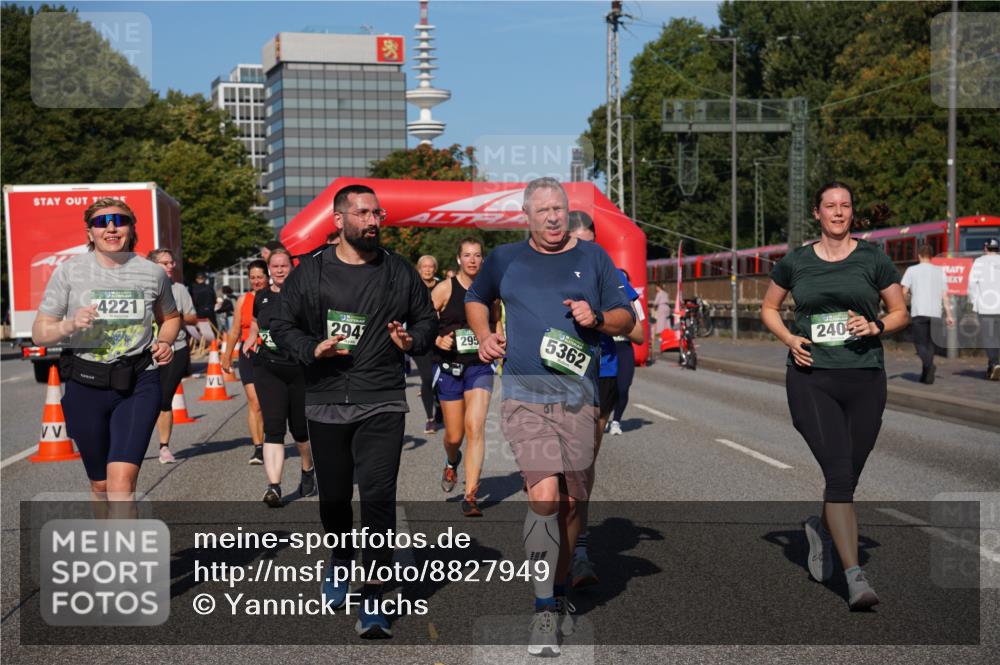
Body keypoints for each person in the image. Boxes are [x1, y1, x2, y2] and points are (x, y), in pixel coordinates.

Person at [466, 177, 634, 656]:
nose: (554, 217)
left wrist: (596, 319)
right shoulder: (503, 259)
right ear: (527, 216)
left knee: (572, 503)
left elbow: (629, 322)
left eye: (559, 208)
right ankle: (543, 609)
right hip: (524, 396)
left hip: (579, 399)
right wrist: (484, 334)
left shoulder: (593, 258)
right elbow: (477, 298)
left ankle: (558, 595)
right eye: (543, 211)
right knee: (543, 497)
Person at [270, 184, 437, 638]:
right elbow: (281, 324)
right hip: (325, 399)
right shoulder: (311, 272)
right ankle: (341, 556)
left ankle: (373, 599)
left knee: (379, 497)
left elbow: (427, 321)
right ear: (339, 220)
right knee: (335, 500)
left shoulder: (397, 271)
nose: (373, 220)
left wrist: (413, 341)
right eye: (362, 213)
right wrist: (311, 347)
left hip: (381, 396)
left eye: (376, 213)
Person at [761, 181, 908, 611]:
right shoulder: (797, 261)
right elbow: (769, 308)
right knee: (840, 475)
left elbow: (900, 311)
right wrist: (789, 338)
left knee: (847, 479)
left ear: (851, 213)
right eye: (831, 206)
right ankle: (854, 576)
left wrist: (875, 326)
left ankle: (821, 528)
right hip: (812, 379)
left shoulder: (873, 257)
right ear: (817, 213)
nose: (839, 212)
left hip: (865, 378)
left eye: (845, 206)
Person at [32, 198, 180, 501]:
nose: (111, 228)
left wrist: (164, 341)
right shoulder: (69, 272)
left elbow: (171, 317)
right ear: (90, 233)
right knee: (101, 486)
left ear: (131, 229)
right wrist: (70, 324)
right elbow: (40, 333)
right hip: (85, 383)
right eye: (101, 222)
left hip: (138, 381)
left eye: (119, 221)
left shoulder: (153, 273)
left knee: (121, 484)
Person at [566, 212, 644, 588]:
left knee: (581, 467)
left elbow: (639, 331)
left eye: (591, 243)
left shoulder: (609, 274)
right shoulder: (545, 273)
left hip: (598, 378)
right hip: (550, 380)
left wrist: (602, 321)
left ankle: (578, 548)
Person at [430, 237, 499, 517]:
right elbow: (423, 322)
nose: (472, 260)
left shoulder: (490, 291)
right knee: (455, 435)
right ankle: (451, 459)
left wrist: (498, 339)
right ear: (458, 259)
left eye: (478, 255)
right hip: (449, 368)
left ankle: (470, 495)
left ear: (483, 259)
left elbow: (495, 322)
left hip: (480, 366)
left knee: (476, 427)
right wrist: (437, 339)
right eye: (467, 255)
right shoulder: (444, 289)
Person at [244, 248, 315, 506]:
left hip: (299, 369)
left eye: (284, 265)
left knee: (299, 429)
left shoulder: (304, 295)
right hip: (268, 367)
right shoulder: (261, 297)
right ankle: (273, 487)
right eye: (275, 266)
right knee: (273, 427)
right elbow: (255, 322)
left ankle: (308, 469)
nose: (280, 269)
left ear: (292, 267)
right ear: (269, 269)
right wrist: (252, 337)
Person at [148, 248, 198, 463]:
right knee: (144, 399)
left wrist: (174, 316)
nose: (170, 266)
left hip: (175, 349)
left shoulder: (179, 289)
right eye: (165, 263)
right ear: (153, 265)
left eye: (172, 263)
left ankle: (164, 447)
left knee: (164, 397)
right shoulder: (143, 289)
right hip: (145, 351)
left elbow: (193, 318)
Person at [222, 260, 269, 464]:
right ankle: (258, 448)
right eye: (253, 278)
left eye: (260, 277)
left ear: (267, 277)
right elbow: (235, 331)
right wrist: (226, 355)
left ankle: (271, 441)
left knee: (268, 403)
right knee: (255, 401)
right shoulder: (243, 299)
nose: (256, 281)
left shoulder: (277, 297)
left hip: (270, 354)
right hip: (248, 354)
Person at [900, 244, 954, 383]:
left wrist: (902, 307)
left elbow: (904, 292)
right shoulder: (940, 271)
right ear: (931, 257)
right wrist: (949, 315)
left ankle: (929, 366)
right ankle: (926, 375)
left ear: (919, 255)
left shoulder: (912, 270)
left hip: (919, 311)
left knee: (920, 344)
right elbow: (945, 295)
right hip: (936, 312)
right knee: (930, 345)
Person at [413, 254, 442, 433]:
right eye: (424, 266)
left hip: (440, 339)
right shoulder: (413, 286)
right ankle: (430, 418)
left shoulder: (442, 286)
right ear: (419, 269)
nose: (428, 269)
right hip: (421, 340)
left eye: (431, 266)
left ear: (435, 269)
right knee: (427, 378)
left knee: (441, 378)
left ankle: (439, 407)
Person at [968, 238, 1000, 380]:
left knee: (990, 338)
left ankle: (994, 364)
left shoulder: (979, 262)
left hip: (986, 307)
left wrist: (974, 302)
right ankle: (991, 368)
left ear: (986, 248)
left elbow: (971, 285)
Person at [189, 272, 217, 353]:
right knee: (213, 329)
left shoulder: (194, 289)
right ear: (204, 279)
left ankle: (202, 344)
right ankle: (213, 343)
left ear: (197, 279)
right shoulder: (209, 288)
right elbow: (214, 299)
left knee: (201, 330)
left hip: (199, 312)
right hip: (210, 311)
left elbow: (193, 302)